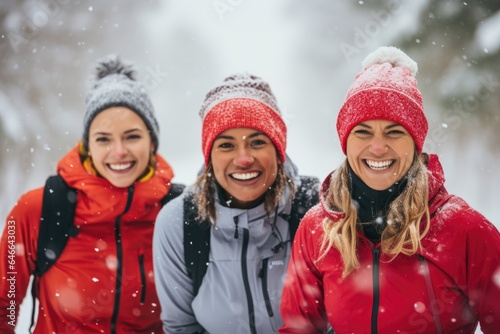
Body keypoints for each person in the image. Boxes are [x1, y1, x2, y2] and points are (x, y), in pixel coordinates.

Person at [279, 46, 500, 333]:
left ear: (416, 142)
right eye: (363, 132)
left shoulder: (464, 229)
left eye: (394, 132)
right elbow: (298, 328)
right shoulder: (316, 229)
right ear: (346, 142)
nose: (379, 147)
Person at [0, 55, 181, 333]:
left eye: (132, 136)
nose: (119, 151)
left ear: (151, 140)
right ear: (88, 146)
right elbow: (4, 305)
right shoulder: (38, 209)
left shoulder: (177, 212)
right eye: (103, 139)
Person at [153, 73, 320, 333]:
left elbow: (340, 318)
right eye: (226, 145)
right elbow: (182, 327)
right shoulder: (179, 222)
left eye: (257, 142)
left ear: (278, 151)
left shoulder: (314, 211)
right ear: (210, 157)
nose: (243, 159)